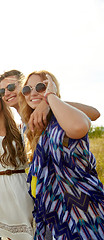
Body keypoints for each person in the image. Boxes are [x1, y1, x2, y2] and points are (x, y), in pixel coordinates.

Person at [19, 70, 104, 239]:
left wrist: (50, 97)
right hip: (50, 213)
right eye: (27, 90)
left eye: (40, 86)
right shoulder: (35, 127)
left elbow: (85, 121)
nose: (33, 92)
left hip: (82, 212)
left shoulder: (63, 118)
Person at [0, 85, 34, 240]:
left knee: (28, 233)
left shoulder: (19, 128)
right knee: (8, 236)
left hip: (18, 185)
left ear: (1, 98)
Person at [0, 69, 100, 132]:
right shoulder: (21, 127)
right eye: (1, 91)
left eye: (10, 87)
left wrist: (47, 102)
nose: (6, 93)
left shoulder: (52, 112)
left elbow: (94, 114)